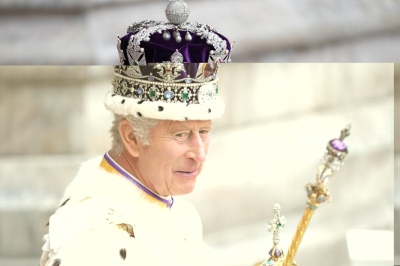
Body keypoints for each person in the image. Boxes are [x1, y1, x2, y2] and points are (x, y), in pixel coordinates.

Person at [40, 1, 232, 265]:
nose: (200, 154)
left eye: (204, 131)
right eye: (181, 134)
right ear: (131, 138)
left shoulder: (177, 210)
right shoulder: (96, 236)